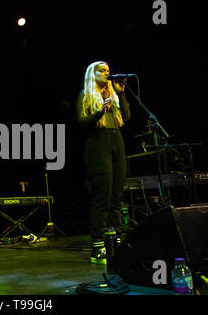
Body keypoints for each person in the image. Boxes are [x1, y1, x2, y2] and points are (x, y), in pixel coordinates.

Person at [77, 61, 131, 265]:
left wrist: (122, 93)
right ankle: (98, 245)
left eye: (108, 71)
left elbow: (126, 117)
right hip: (98, 144)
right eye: (102, 71)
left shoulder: (114, 95)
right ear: (93, 74)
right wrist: (101, 109)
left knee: (117, 195)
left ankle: (116, 240)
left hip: (116, 141)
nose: (107, 74)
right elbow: (82, 122)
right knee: (103, 196)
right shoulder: (86, 95)